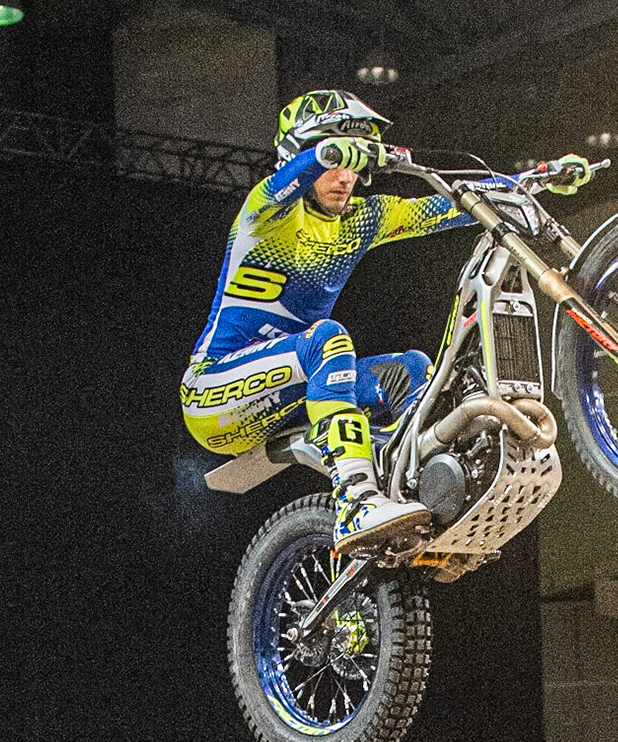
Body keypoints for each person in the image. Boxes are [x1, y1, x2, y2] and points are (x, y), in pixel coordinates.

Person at [180, 88, 592, 551]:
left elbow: (455, 204)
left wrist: (533, 180)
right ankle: (357, 500)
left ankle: (416, 488)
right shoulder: (266, 211)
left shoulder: (363, 218)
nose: (346, 176)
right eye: (336, 163)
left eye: (354, 167)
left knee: (411, 370)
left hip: (296, 390)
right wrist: (327, 153)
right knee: (328, 340)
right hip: (214, 394)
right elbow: (297, 173)